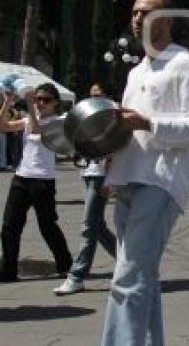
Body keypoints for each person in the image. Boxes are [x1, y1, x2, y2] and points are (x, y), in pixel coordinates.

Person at [100, 0, 189, 346]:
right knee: (139, 275)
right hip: (129, 178)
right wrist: (110, 169)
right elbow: (129, 130)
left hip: (163, 180)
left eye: (146, 12)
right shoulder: (136, 72)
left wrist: (149, 122)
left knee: (128, 276)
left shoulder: (186, 65)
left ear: (168, 19)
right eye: (133, 12)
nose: (137, 18)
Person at [0, 83, 73, 282]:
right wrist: (7, 101)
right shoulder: (28, 118)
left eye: (46, 100)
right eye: (38, 99)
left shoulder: (59, 121)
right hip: (22, 177)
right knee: (9, 226)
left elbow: (37, 131)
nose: (40, 103)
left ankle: (66, 265)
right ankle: (8, 270)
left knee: (47, 226)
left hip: (43, 181)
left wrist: (30, 105)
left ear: (55, 103)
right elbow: (3, 126)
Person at [53, 82, 118, 295]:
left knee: (88, 227)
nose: (93, 98)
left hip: (101, 177)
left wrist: (110, 180)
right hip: (89, 173)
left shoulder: (113, 116)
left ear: (106, 96)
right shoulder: (90, 116)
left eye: (98, 95)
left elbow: (117, 149)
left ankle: (77, 276)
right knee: (98, 227)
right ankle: (129, 261)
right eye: (91, 95)